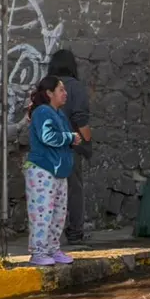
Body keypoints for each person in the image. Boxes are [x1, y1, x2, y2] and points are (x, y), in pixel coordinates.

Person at [25, 76, 81, 266]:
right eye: (61, 90)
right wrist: (70, 137)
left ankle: (52, 249)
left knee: (58, 213)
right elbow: (47, 136)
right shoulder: (42, 112)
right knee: (42, 214)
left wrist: (70, 139)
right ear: (49, 93)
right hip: (43, 170)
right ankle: (38, 252)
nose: (65, 93)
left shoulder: (58, 113)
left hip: (58, 171)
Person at [48, 49, 92, 245]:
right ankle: (75, 232)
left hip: (48, 145)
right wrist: (87, 139)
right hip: (70, 145)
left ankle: (48, 233)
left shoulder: (45, 87)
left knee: (49, 189)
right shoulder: (74, 87)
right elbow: (80, 117)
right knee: (74, 189)